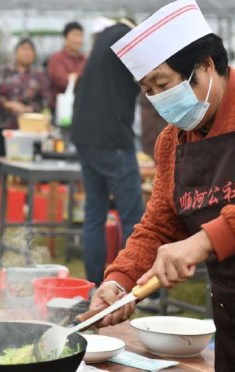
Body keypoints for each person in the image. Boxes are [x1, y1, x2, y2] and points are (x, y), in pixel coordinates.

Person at [78, 0, 235, 371]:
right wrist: (119, 282)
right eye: (147, 90)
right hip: (234, 318)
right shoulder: (173, 140)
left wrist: (203, 241)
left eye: (163, 84)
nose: (157, 99)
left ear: (206, 66)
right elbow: (159, 223)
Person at [70, 18, 144, 287]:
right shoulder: (126, 37)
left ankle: (93, 284)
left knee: (95, 213)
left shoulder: (101, 42)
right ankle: (133, 285)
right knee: (133, 218)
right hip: (113, 140)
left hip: (85, 138)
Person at [0, 38, 49, 177]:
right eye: (23, 49)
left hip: (29, 130)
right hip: (5, 126)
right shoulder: (3, 71)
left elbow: (45, 99)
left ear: (34, 54)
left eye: (30, 50)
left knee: (26, 165)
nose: (26, 53)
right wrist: (8, 104)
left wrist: (29, 109)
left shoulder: (39, 75)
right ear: (16, 52)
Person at [47, 21, 86, 113]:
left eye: (80, 36)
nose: (78, 40)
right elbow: (62, 81)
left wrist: (75, 77)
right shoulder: (56, 58)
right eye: (74, 36)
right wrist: (80, 78)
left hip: (81, 109)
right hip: (60, 109)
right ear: (65, 37)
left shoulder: (85, 59)